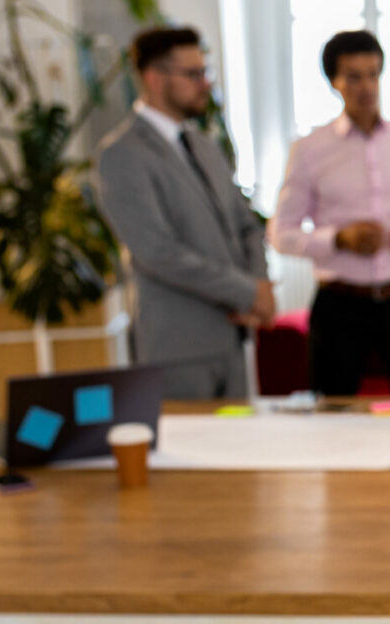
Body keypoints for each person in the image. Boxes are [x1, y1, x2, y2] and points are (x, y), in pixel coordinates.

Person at [268, 30, 390, 394]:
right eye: (354, 76)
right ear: (334, 82)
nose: (367, 86)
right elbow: (280, 234)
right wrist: (338, 239)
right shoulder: (308, 150)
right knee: (332, 417)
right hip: (340, 307)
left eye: (373, 74)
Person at [95, 26, 274, 400]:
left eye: (204, 72)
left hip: (232, 338)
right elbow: (157, 252)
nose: (205, 84)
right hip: (177, 347)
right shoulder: (122, 154)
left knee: (237, 452)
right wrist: (247, 291)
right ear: (155, 79)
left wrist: (260, 284)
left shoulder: (204, 146)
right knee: (191, 456)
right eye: (193, 74)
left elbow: (246, 223)